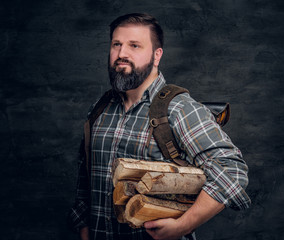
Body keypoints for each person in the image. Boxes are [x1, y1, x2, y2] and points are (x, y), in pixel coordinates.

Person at [68, 13, 251, 240]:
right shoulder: (99, 109)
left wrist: (183, 225)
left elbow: (232, 171)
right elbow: (85, 184)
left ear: (157, 56)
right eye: (116, 44)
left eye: (134, 45)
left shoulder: (179, 109)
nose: (121, 54)